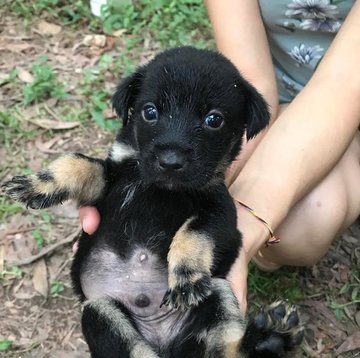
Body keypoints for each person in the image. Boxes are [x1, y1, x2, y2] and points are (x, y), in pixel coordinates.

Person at [78, 0, 360, 314]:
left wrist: (241, 227)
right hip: (271, 99)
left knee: (306, 220)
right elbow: (252, 79)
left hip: (349, 102)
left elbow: (343, 86)